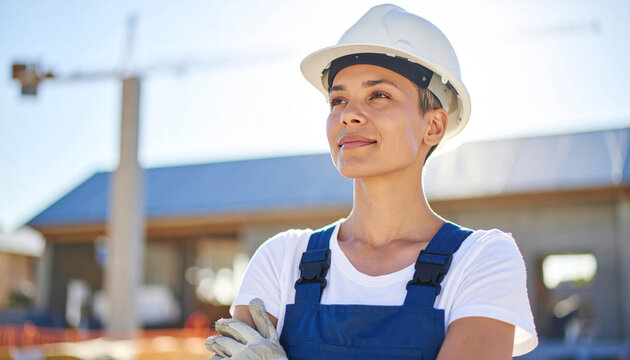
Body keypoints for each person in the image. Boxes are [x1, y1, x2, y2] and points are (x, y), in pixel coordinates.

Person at [206, 4, 538, 359]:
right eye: (338, 99)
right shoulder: (281, 260)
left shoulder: (481, 260)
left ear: (434, 125)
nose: (348, 115)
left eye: (379, 95)